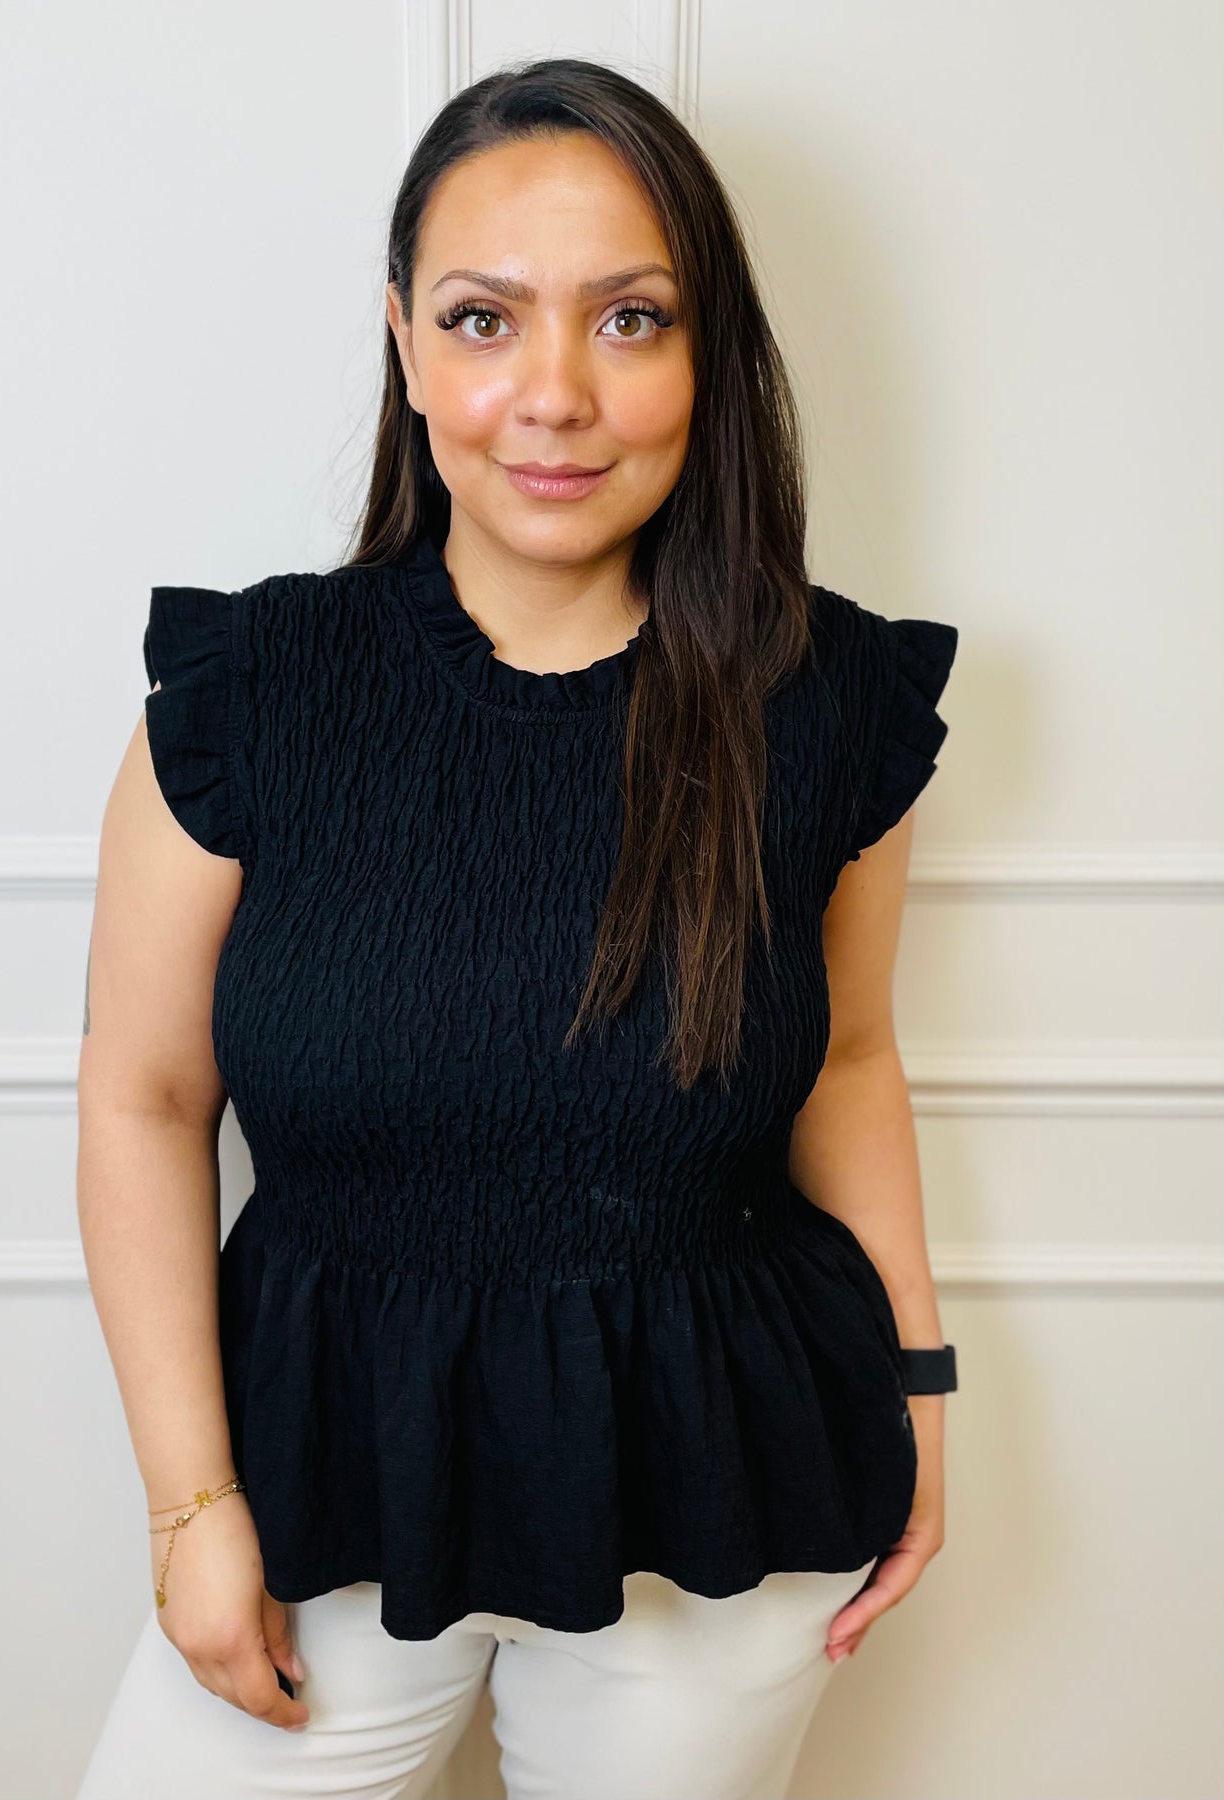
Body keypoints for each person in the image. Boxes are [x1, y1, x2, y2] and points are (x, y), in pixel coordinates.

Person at [75, 54, 959, 1800]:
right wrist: (190, 1506)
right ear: (404, 345)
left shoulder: (830, 699)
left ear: (709, 355)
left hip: (719, 1483)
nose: (554, 395)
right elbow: (143, 1098)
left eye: (630, 320)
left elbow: (848, 1057)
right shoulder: (253, 691)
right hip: (324, 1469)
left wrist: (919, 1389)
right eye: (483, 320)